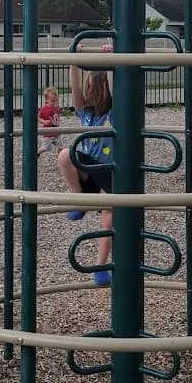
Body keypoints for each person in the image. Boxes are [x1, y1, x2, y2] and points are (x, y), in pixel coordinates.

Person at [57, 43, 114, 287]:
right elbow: (75, 89)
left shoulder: (114, 113)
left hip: (111, 170)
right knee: (64, 155)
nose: (92, 92)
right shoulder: (86, 113)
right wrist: (74, 59)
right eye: (91, 87)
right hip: (90, 171)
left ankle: (101, 267)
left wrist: (113, 61)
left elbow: (116, 89)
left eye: (96, 87)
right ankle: (79, 199)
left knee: (109, 215)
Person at [37, 87, 63, 155]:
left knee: (60, 147)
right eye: (53, 101)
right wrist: (44, 122)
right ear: (46, 100)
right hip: (47, 133)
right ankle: (37, 153)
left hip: (56, 132)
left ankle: (60, 159)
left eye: (56, 100)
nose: (55, 102)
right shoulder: (43, 109)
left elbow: (58, 113)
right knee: (46, 148)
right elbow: (38, 118)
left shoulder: (56, 107)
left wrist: (61, 110)